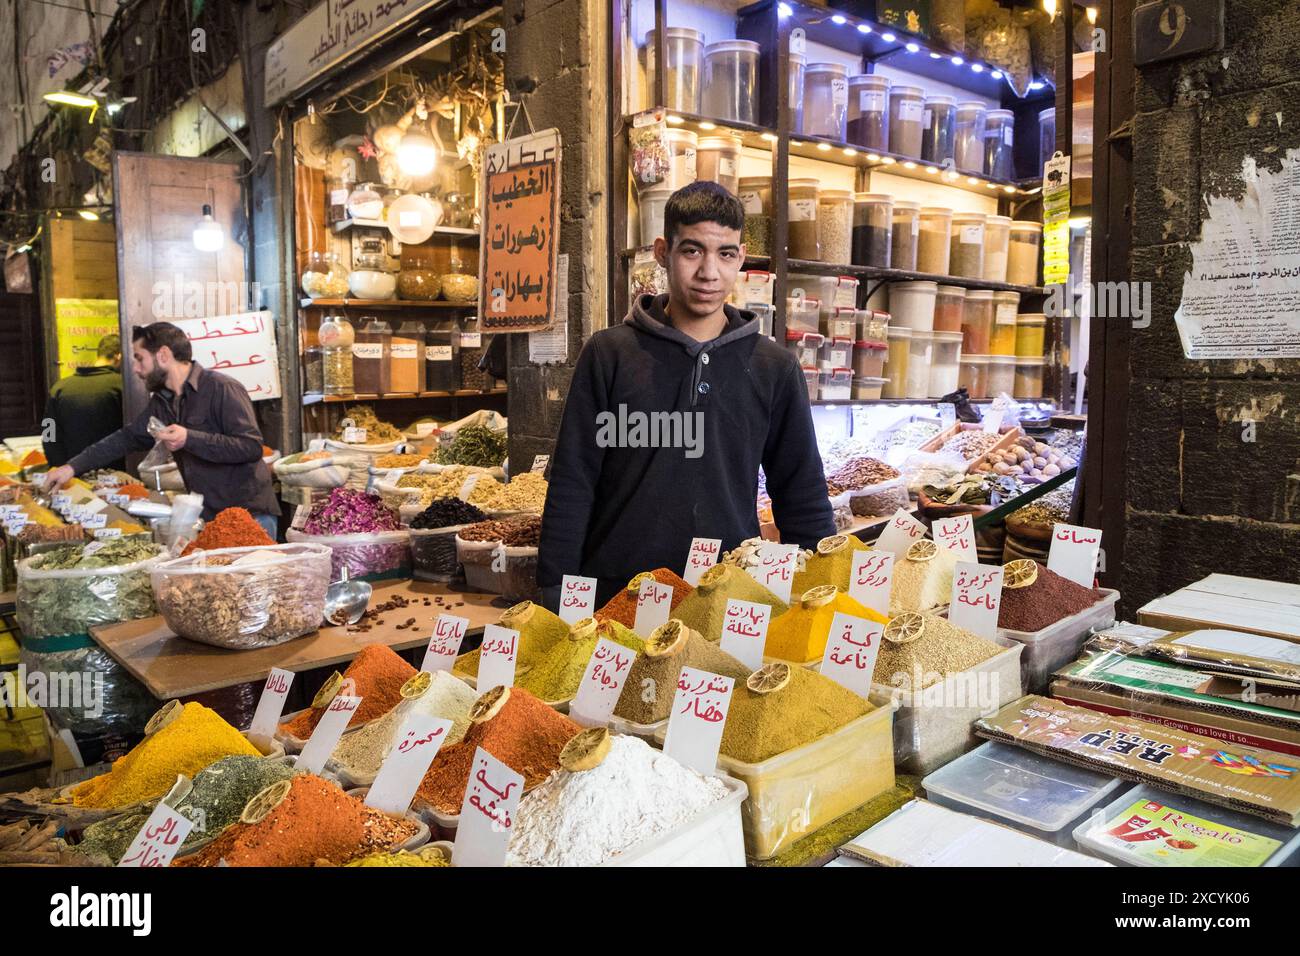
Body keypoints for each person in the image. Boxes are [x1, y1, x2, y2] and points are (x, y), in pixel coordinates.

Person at [538, 181, 835, 609]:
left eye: (726, 254)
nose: (709, 273)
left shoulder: (774, 367)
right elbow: (573, 481)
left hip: (727, 597)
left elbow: (801, 491)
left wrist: (820, 592)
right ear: (663, 252)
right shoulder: (609, 354)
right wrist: (556, 594)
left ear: (742, 257)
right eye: (692, 251)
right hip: (617, 594)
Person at [43, 321, 280, 537]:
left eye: (140, 358)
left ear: (163, 355)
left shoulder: (222, 388)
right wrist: (71, 467)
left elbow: (250, 447)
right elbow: (127, 438)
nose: (136, 368)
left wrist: (190, 438)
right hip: (210, 518)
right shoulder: (163, 402)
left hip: (250, 517)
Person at [43, 333, 124, 470]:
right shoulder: (122, 385)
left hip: (71, 475)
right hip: (116, 476)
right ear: (119, 356)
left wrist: (57, 466)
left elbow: (48, 431)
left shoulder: (59, 388)